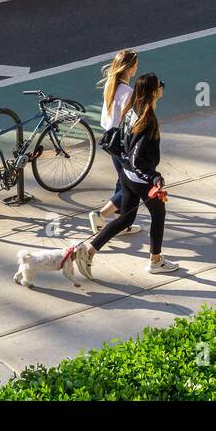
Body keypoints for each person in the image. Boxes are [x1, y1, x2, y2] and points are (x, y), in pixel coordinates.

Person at [80, 74, 179, 275]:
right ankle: (155, 261)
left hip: (126, 175)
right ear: (153, 92)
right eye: (160, 85)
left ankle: (89, 251)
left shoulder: (132, 109)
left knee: (125, 219)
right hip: (140, 179)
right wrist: (154, 177)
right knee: (158, 215)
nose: (162, 87)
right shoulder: (147, 120)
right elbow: (137, 159)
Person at [89, 49, 142, 238]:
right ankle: (102, 214)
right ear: (130, 68)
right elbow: (132, 121)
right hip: (122, 142)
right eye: (136, 65)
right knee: (131, 184)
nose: (137, 68)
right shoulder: (128, 92)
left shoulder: (111, 85)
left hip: (110, 139)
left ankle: (122, 223)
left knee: (123, 179)